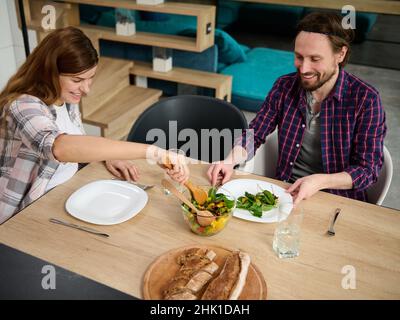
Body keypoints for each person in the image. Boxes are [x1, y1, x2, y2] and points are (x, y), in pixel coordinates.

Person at [0, 26, 189, 224]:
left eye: (90, 78)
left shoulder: (66, 100)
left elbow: (77, 143)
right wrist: (153, 152)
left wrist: (107, 156)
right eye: (77, 80)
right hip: (22, 217)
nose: (87, 89)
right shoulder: (22, 106)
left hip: (65, 194)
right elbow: (60, 147)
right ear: (49, 72)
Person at [208, 12, 386, 205]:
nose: (304, 68)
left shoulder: (366, 99)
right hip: (286, 193)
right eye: (299, 57)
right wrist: (229, 159)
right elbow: (256, 133)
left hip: (339, 202)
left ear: (340, 54)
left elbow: (367, 170)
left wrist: (319, 181)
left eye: (315, 59)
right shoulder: (285, 86)